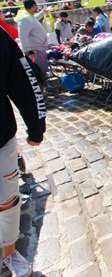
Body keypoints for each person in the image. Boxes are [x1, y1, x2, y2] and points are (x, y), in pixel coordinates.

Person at [0, 27, 46, 277]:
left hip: (0, 140)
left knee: (6, 201)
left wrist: (36, 128)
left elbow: (23, 79)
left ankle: (8, 253)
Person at [17, 0, 49, 74]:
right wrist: (26, 49)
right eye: (36, 6)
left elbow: (35, 19)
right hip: (35, 49)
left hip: (39, 47)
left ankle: (44, 80)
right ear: (34, 6)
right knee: (38, 69)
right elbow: (22, 35)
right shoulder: (25, 19)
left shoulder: (29, 17)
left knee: (42, 67)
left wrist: (43, 12)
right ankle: (42, 83)